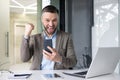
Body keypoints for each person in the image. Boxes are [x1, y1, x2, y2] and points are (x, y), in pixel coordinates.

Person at [20, 5, 77, 70]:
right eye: (47, 20)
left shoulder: (66, 37)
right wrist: (26, 35)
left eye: (54, 20)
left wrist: (59, 59)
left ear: (58, 20)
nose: (51, 24)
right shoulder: (34, 38)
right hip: (38, 76)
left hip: (58, 76)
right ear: (42, 20)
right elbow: (24, 59)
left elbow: (73, 62)